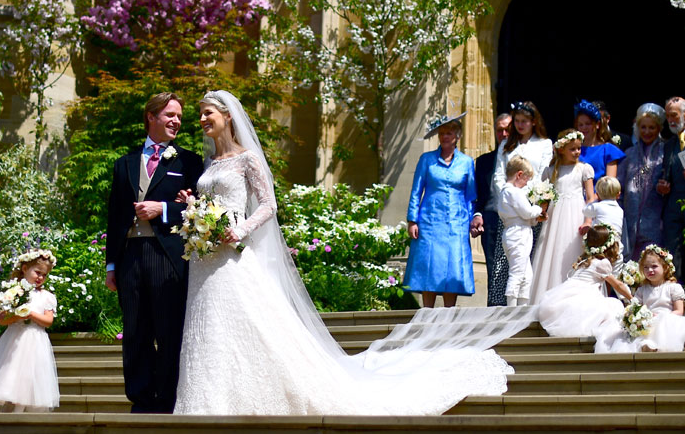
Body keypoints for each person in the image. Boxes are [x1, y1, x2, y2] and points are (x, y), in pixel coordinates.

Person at [174, 91, 528, 416]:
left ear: (227, 116)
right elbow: (214, 203)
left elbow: (268, 204)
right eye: (201, 114)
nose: (203, 119)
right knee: (210, 325)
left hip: (233, 252)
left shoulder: (246, 159)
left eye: (208, 114)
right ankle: (206, 399)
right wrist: (194, 208)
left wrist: (240, 230)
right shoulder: (209, 162)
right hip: (205, 257)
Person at [106, 92, 204, 413]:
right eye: (170, 115)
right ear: (151, 116)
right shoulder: (125, 163)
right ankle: (140, 398)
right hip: (130, 256)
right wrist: (111, 266)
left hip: (168, 256)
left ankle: (166, 398)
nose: (177, 121)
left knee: (168, 328)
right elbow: (115, 215)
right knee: (135, 330)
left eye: (179, 116)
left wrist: (162, 208)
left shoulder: (188, 162)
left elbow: (199, 211)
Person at [404, 112, 476, 308]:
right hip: (429, 220)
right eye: (442, 133)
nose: (445, 136)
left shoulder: (466, 162)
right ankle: (427, 313)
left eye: (450, 133)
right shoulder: (426, 160)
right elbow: (416, 191)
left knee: (452, 267)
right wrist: (412, 220)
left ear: (457, 136)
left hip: (456, 221)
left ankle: (449, 314)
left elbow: (471, 196)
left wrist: (473, 220)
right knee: (430, 265)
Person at [0, 249, 59, 412]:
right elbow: (2, 319)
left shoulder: (47, 296)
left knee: (28, 375)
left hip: (35, 339)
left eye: (44, 275)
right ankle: (9, 410)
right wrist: (17, 316)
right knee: (11, 371)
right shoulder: (13, 291)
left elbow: (48, 321)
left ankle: (18, 412)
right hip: (15, 339)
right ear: (25, 269)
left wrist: (31, 314)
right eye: (37, 272)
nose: (40, 277)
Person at [487, 101, 553, 307]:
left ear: (534, 122)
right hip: (510, 210)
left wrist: (527, 197)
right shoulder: (507, 146)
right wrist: (510, 196)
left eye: (524, 121)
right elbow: (499, 175)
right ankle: (502, 303)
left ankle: (527, 302)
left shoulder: (543, 144)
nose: (520, 125)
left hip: (531, 206)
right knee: (506, 260)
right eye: (517, 121)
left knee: (528, 263)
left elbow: (543, 173)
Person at [529, 129, 595, 303]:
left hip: (576, 214)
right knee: (553, 252)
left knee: (573, 251)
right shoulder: (550, 171)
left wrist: (588, 220)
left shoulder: (584, 169)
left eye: (579, 148)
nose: (577, 152)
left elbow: (590, 197)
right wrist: (541, 211)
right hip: (555, 216)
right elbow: (545, 197)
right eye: (572, 149)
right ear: (561, 150)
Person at [537, 225, 629, 340]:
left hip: (565, 294)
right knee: (615, 306)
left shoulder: (584, 261)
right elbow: (618, 285)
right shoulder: (602, 263)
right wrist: (632, 298)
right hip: (584, 295)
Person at [596, 244, 685, 353]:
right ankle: (645, 346)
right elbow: (635, 307)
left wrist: (662, 317)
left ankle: (654, 345)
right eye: (646, 267)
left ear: (665, 267)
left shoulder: (673, 287)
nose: (650, 270)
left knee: (661, 325)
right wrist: (638, 318)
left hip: (667, 320)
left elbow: (679, 311)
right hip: (646, 322)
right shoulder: (642, 290)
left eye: (654, 266)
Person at [472, 113, 512, 305]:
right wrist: (477, 215)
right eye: (499, 130)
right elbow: (477, 195)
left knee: (515, 267)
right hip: (491, 218)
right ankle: (494, 309)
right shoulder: (483, 161)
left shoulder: (522, 157)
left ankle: (514, 309)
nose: (503, 134)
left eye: (507, 129)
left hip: (515, 219)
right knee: (493, 268)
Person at [619, 103, 666, 260]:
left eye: (651, 127)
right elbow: (619, 189)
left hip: (656, 224)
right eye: (643, 127)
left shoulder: (667, 151)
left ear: (659, 128)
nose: (646, 132)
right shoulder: (629, 154)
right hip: (630, 223)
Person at [498, 156, 544, 307]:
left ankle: (523, 307)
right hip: (518, 235)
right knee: (517, 273)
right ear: (519, 175)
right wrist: (539, 209)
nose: (527, 183)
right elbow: (526, 212)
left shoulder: (505, 192)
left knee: (526, 275)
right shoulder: (514, 192)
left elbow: (523, 217)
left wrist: (535, 219)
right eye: (526, 179)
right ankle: (511, 308)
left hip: (518, 231)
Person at [657, 97, 685, 282]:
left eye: (674, 115)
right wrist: (662, 186)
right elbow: (666, 173)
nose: (671, 120)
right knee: (673, 256)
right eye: (668, 116)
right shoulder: (669, 145)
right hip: (674, 209)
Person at [574, 99, 625, 183]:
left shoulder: (608, 150)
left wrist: (594, 196)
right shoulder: (574, 149)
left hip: (601, 194)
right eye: (580, 125)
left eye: (588, 124)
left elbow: (610, 184)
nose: (584, 128)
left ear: (597, 125)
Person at [581, 176, 625, 270]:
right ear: (618, 194)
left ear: (598, 194)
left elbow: (585, 211)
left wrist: (595, 199)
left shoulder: (598, 206)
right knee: (614, 269)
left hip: (600, 243)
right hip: (616, 245)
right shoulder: (620, 210)